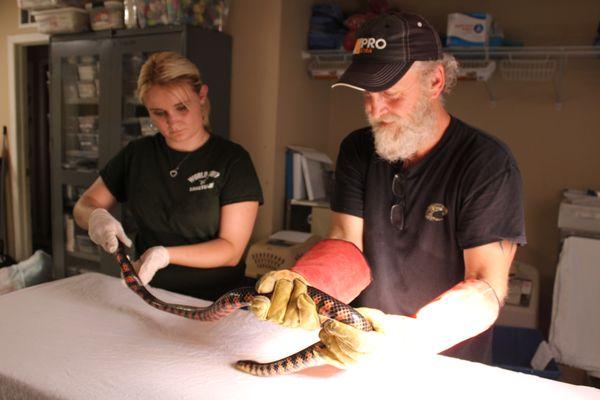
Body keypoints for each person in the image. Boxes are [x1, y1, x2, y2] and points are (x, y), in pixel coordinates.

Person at [250, 11, 526, 367]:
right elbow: (346, 244)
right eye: (367, 94)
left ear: (435, 82)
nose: (375, 109)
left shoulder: (487, 164)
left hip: (447, 363)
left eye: (391, 94)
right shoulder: (358, 149)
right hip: (357, 350)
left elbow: (486, 287)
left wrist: (410, 336)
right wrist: (308, 283)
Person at [73, 51, 263, 301]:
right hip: (148, 292)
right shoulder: (137, 155)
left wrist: (165, 255)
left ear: (201, 96)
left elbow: (230, 250)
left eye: (181, 108)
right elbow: (84, 206)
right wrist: (96, 217)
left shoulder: (233, 161)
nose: (172, 122)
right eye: (159, 113)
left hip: (212, 300)